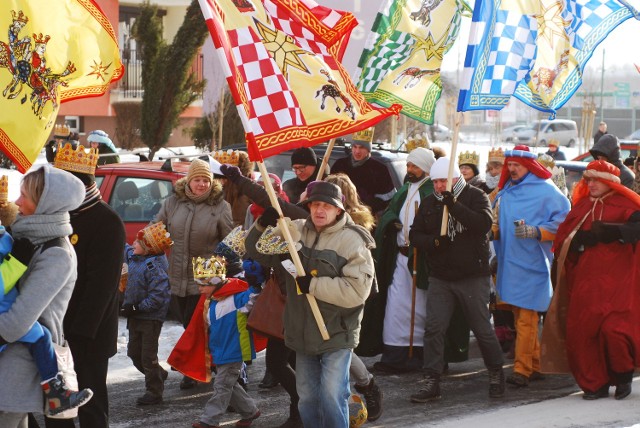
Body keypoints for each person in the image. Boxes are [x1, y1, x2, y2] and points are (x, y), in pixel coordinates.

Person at [245, 181, 375, 428]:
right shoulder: (294, 230)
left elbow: (357, 291)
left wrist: (313, 285)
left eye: (327, 205)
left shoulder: (352, 241)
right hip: (302, 332)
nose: (320, 210)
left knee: (332, 396)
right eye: (315, 204)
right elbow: (257, 251)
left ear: (339, 210)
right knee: (307, 399)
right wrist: (263, 223)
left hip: (336, 333)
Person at [408, 157, 505, 402]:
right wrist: (433, 242)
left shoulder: (475, 196)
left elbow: (482, 224)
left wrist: (454, 207)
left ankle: (495, 372)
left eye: (443, 181)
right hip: (441, 276)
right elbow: (415, 233)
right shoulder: (430, 202)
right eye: (436, 182)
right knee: (434, 329)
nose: (439, 186)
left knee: (482, 328)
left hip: (472, 275)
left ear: (455, 179)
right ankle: (431, 379)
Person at [44, 142, 126, 428]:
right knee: (57, 407)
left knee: (90, 406)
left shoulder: (107, 221)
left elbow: (101, 287)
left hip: (88, 334)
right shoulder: (60, 216)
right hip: (57, 329)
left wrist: (77, 334)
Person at [542, 160, 640, 401]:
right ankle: (595, 382)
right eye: (589, 180)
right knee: (583, 330)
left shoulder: (627, 205)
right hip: (587, 281)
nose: (591, 184)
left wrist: (615, 233)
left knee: (615, 329)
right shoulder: (582, 206)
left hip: (620, 280)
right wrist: (579, 241)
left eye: (596, 179)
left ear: (609, 182)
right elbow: (565, 239)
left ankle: (622, 374)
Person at [0, 165, 86, 427]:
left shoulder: (56, 253)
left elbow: (17, 322)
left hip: (21, 361)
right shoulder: (25, 238)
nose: (17, 201)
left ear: (45, 204)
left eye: (25, 196)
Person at [492, 145, 570, 387]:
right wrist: (492, 232)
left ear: (528, 166)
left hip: (533, 264)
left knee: (527, 317)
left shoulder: (547, 191)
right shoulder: (507, 190)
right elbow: (499, 223)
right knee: (520, 317)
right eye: (510, 165)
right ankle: (534, 364)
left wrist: (537, 231)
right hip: (509, 262)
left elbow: (564, 219)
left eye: (517, 165)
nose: (512, 169)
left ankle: (522, 369)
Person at [155, 158, 233, 389]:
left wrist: (219, 261)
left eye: (205, 180)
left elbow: (229, 241)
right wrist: (149, 240)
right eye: (197, 180)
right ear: (188, 181)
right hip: (177, 275)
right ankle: (203, 366)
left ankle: (196, 370)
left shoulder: (220, 206)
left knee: (197, 326)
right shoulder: (172, 203)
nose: (201, 185)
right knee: (185, 323)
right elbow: (157, 227)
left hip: (204, 278)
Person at [360, 148, 438, 371]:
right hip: (401, 259)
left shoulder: (432, 191)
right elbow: (389, 213)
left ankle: (420, 355)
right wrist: (392, 222)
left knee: (420, 308)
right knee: (396, 308)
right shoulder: (404, 189)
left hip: (420, 262)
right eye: (409, 166)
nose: (410, 170)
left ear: (425, 168)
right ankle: (395, 355)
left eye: (415, 166)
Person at [175, 255, 261, 428]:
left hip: (234, 351)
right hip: (220, 352)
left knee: (222, 387)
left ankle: (209, 421)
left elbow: (255, 295)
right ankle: (250, 411)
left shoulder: (236, 298)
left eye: (203, 285)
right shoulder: (210, 303)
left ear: (215, 282)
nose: (199, 289)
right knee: (229, 385)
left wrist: (256, 279)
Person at [121, 222, 173, 406]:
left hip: (150, 318)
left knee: (147, 357)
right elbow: (123, 247)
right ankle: (159, 374)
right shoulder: (134, 257)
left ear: (148, 249)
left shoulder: (155, 268)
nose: (133, 243)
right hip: (135, 317)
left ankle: (154, 392)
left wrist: (136, 308)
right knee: (134, 354)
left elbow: (158, 297)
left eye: (138, 242)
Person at [331, 140, 396, 215]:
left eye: (361, 147)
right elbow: (329, 190)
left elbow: (388, 198)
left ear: (368, 150)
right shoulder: (340, 164)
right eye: (355, 147)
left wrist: (366, 208)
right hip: (339, 214)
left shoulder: (380, 169)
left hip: (366, 218)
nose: (357, 151)